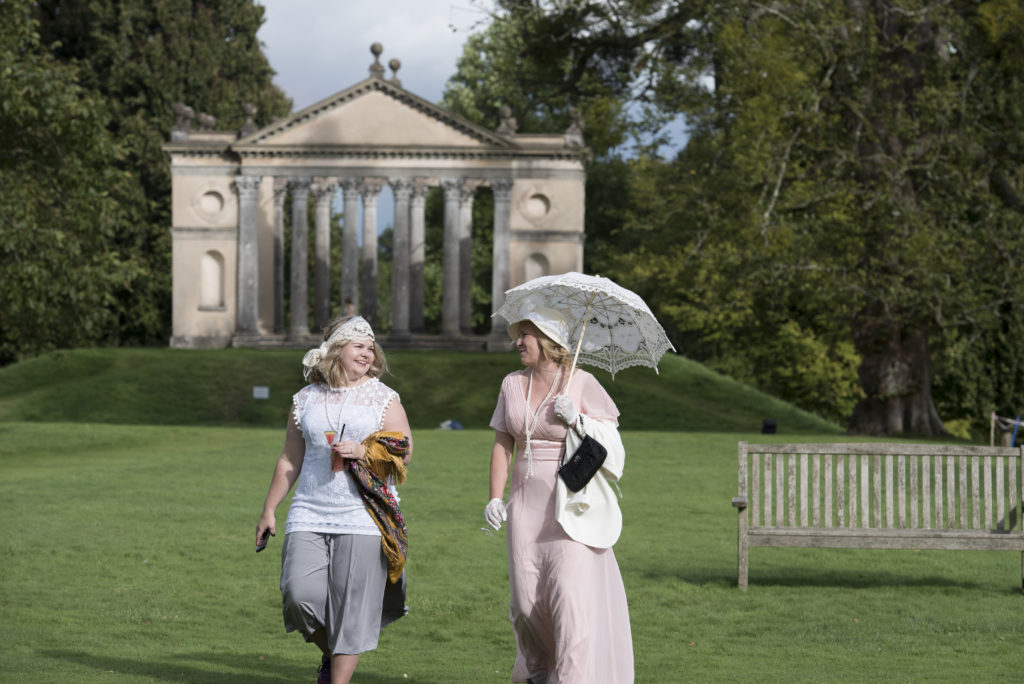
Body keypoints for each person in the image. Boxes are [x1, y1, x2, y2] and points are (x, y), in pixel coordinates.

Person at [256, 315, 413, 684]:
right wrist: (269, 509)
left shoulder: (382, 397)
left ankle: (336, 678)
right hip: (308, 510)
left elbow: (404, 450)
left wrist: (364, 449)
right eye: (358, 345)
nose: (367, 352)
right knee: (298, 595)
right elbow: (289, 458)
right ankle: (331, 654)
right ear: (336, 349)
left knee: (351, 609)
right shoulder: (305, 399)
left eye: (371, 347)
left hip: (363, 515)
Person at [486, 307, 633, 683]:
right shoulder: (510, 384)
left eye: (526, 335)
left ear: (550, 341)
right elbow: (503, 445)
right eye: (518, 335)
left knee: (570, 604)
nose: (517, 342)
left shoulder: (580, 383)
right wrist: (494, 497)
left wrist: (577, 420)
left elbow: (613, 448)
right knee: (525, 605)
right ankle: (540, 673)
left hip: (572, 506)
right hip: (524, 507)